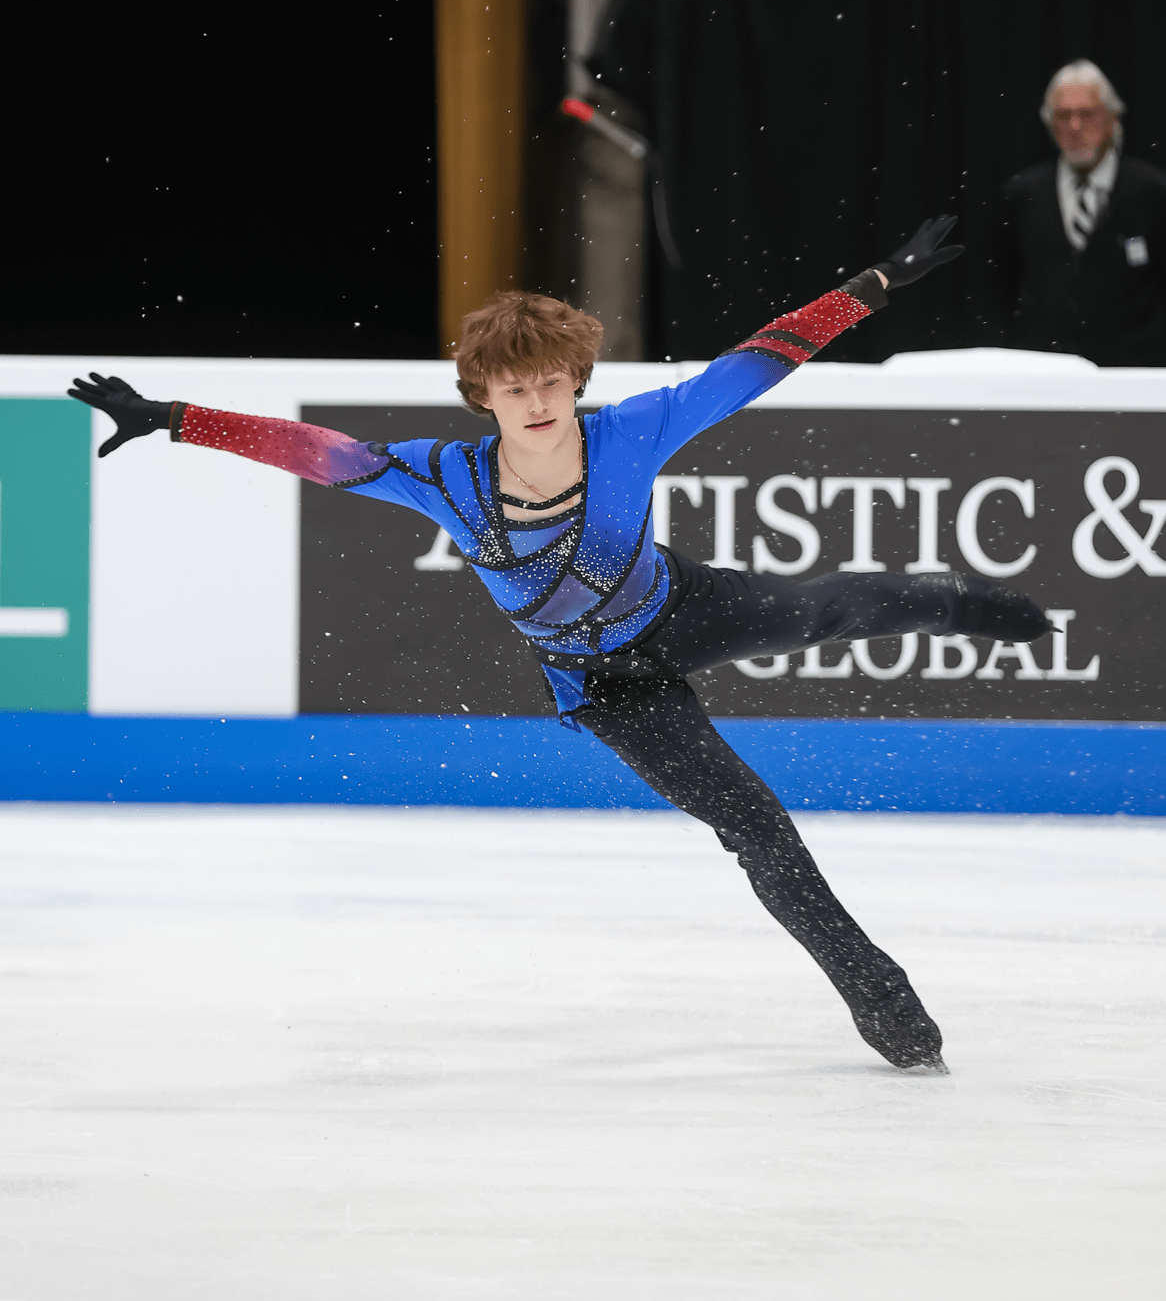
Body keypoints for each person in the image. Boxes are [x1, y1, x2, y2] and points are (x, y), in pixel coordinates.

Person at [69, 216, 1050, 1074]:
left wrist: (874, 283)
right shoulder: (444, 477)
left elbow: (755, 361)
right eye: (514, 386)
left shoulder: (631, 431)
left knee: (825, 607)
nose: (537, 400)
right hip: (603, 687)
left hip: (683, 606)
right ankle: (888, 1009)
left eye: (551, 381)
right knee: (755, 827)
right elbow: (322, 454)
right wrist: (177, 420)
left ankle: (957, 604)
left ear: (576, 377)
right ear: (481, 395)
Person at [998, 59, 1166, 364]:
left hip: (1131, 372)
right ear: (1049, 123)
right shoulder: (1023, 194)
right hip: (1045, 370)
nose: (1074, 126)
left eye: (1086, 114)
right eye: (1063, 115)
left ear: (1112, 119)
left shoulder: (1151, 192)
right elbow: (1003, 284)